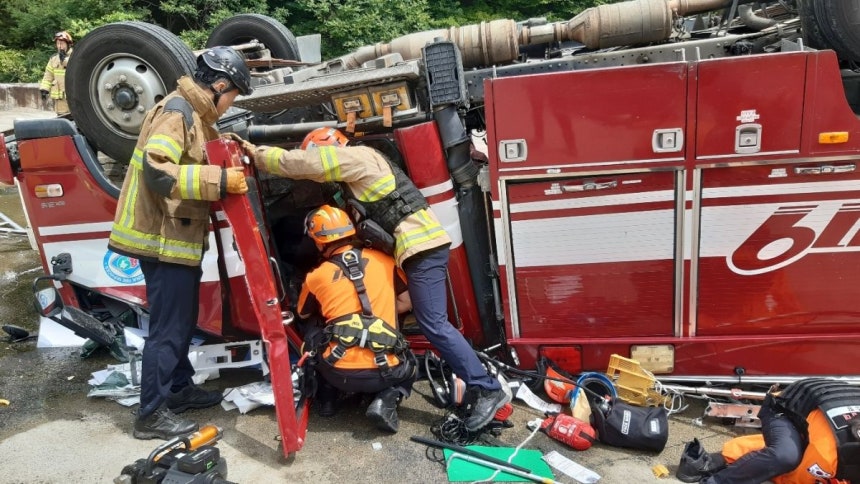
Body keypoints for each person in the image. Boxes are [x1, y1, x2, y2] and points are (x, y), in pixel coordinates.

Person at [237, 127, 509, 431]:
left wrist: (258, 155)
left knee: (434, 324)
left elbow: (310, 165)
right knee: (425, 321)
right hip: (418, 249)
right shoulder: (357, 179)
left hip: (421, 247)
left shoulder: (361, 157)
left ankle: (486, 389)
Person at [107, 46, 252, 440]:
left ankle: (178, 389)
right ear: (219, 86)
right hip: (161, 240)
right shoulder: (178, 112)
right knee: (168, 329)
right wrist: (219, 181)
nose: (231, 103)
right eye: (234, 95)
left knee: (182, 322)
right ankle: (151, 416)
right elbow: (158, 172)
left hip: (174, 240)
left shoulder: (194, 115)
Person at [297, 204, 416, 432]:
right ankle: (386, 399)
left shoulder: (315, 276)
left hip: (337, 373)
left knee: (312, 329)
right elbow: (406, 303)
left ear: (319, 242)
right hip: (386, 372)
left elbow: (302, 313)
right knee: (411, 363)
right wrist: (379, 314)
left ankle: (327, 399)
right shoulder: (385, 261)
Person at [677, 378, 860, 484]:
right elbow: (795, 478)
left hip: (821, 405)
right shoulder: (829, 455)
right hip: (783, 407)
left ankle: (721, 458)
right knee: (785, 456)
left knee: (794, 449)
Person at [39, 31, 74, 116]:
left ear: (68, 44)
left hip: (73, 96)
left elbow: (76, 66)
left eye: (62, 43)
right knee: (62, 117)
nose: (59, 46)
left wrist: (64, 60)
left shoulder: (75, 56)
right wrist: (44, 89)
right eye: (58, 43)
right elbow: (48, 75)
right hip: (60, 98)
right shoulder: (54, 59)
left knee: (75, 117)